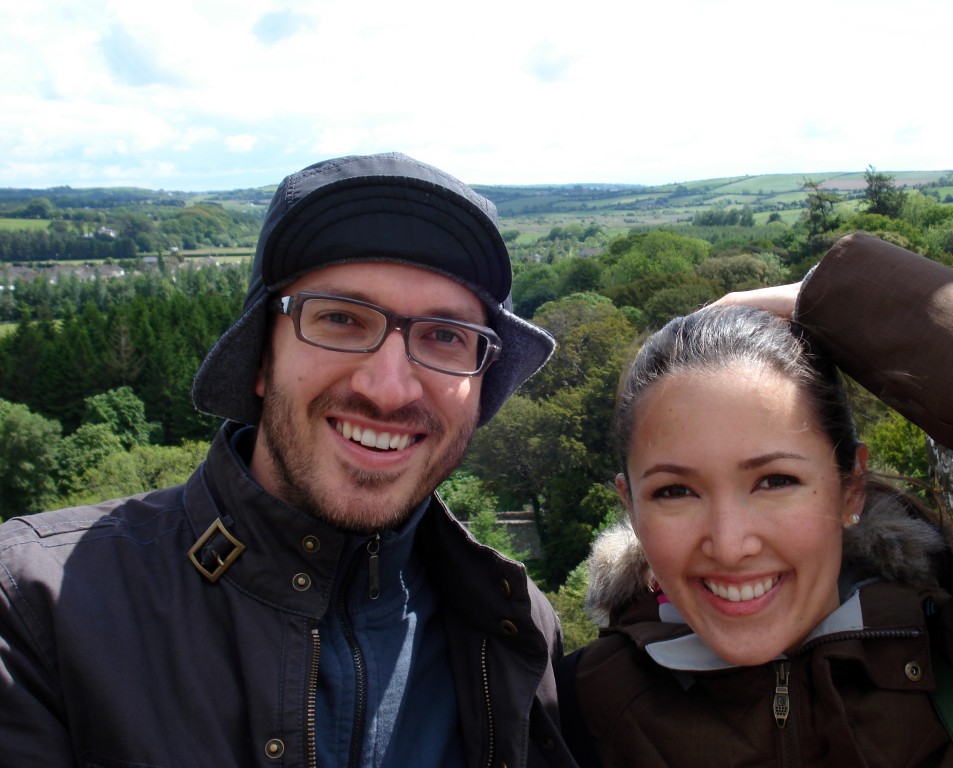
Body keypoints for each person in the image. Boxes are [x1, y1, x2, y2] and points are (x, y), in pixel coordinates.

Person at [0, 152, 579, 768]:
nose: (389, 389)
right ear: (260, 357)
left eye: (445, 335)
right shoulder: (39, 608)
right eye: (340, 319)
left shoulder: (515, 629)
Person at [559, 232, 953, 767]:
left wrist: (826, 301)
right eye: (675, 491)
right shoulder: (574, 715)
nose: (730, 545)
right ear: (632, 510)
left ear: (851, 486)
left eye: (775, 481)